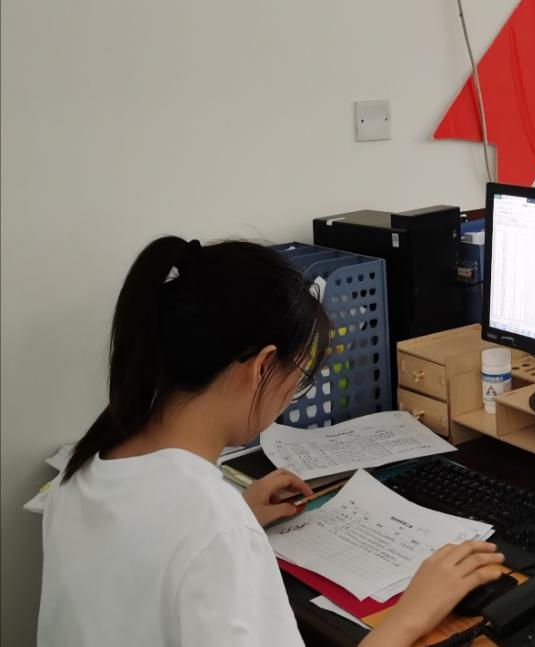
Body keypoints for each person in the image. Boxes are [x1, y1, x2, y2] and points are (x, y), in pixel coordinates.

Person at [38, 237, 504, 646]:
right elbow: (195, 540)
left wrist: (241, 512)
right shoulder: (214, 526)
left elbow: (147, 566)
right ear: (262, 367)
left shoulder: (81, 472)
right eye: (298, 377)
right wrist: (411, 615)